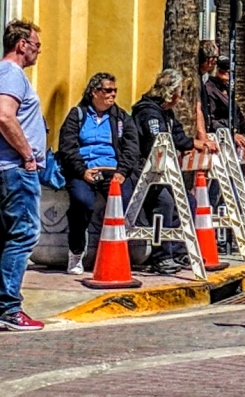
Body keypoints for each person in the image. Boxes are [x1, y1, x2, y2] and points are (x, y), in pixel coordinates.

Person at [56, 73, 143, 274]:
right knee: (81, 201)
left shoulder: (121, 117)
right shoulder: (77, 115)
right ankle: (76, 252)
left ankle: (116, 252)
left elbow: (132, 148)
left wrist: (121, 172)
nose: (112, 95)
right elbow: (67, 146)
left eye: (114, 91)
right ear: (94, 92)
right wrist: (82, 170)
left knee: (124, 201)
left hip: (112, 171)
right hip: (84, 170)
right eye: (107, 90)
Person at [0, 21, 45, 330]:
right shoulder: (11, 74)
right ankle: (8, 307)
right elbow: (4, 115)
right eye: (36, 45)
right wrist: (27, 154)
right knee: (23, 234)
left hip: (10, 169)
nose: (38, 51)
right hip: (16, 170)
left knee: (7, 236)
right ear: (21, 45)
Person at [130, 70, 196, 274]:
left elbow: (178, 137)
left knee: (189, 201)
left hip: (165, 171)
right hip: (145, 173)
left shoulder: (166, 113)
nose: (181, 97)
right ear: (172, 93)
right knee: (165, 202)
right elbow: (156, 142)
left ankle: (178, 250)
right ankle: (162, 255)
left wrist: (195, 144)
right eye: (180, 92)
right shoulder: (148, 113)